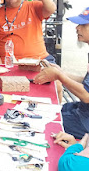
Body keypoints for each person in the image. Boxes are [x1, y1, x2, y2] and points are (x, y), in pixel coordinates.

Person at [34, 8, 89, 139]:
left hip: (85, 121)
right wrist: (60, 71)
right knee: (53, 110)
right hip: (81, 110)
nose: (77, 28)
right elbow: (85, 81)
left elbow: (87, 96)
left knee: (43, 122)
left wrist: (59, 76)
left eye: (83, 25)